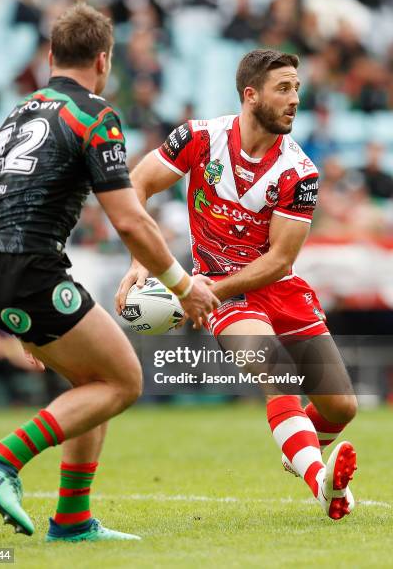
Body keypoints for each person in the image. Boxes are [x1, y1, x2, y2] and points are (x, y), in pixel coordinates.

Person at [0, 2, 219, 542]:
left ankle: (74, 519)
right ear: (104, 61)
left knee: (94, 377)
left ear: (52, 56)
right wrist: (183, 284)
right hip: (28, 267)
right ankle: (1, 458)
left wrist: (23, 317)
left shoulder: (16, 114)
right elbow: (128, 220)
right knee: (124, 382)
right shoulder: (95, 115)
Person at [116, 49, 358, 521]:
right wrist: (139, 262)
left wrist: (199, 293)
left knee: (341, 406)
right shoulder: (198, 138)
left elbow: (281, 259)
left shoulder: (300, 171)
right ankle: (322, 483)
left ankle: (300, 451)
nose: (295, 99)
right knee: (278, 374)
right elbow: (137, 186)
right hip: (226, 293)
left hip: (270, 285)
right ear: (251, 95)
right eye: (283, 89)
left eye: (297, 89)